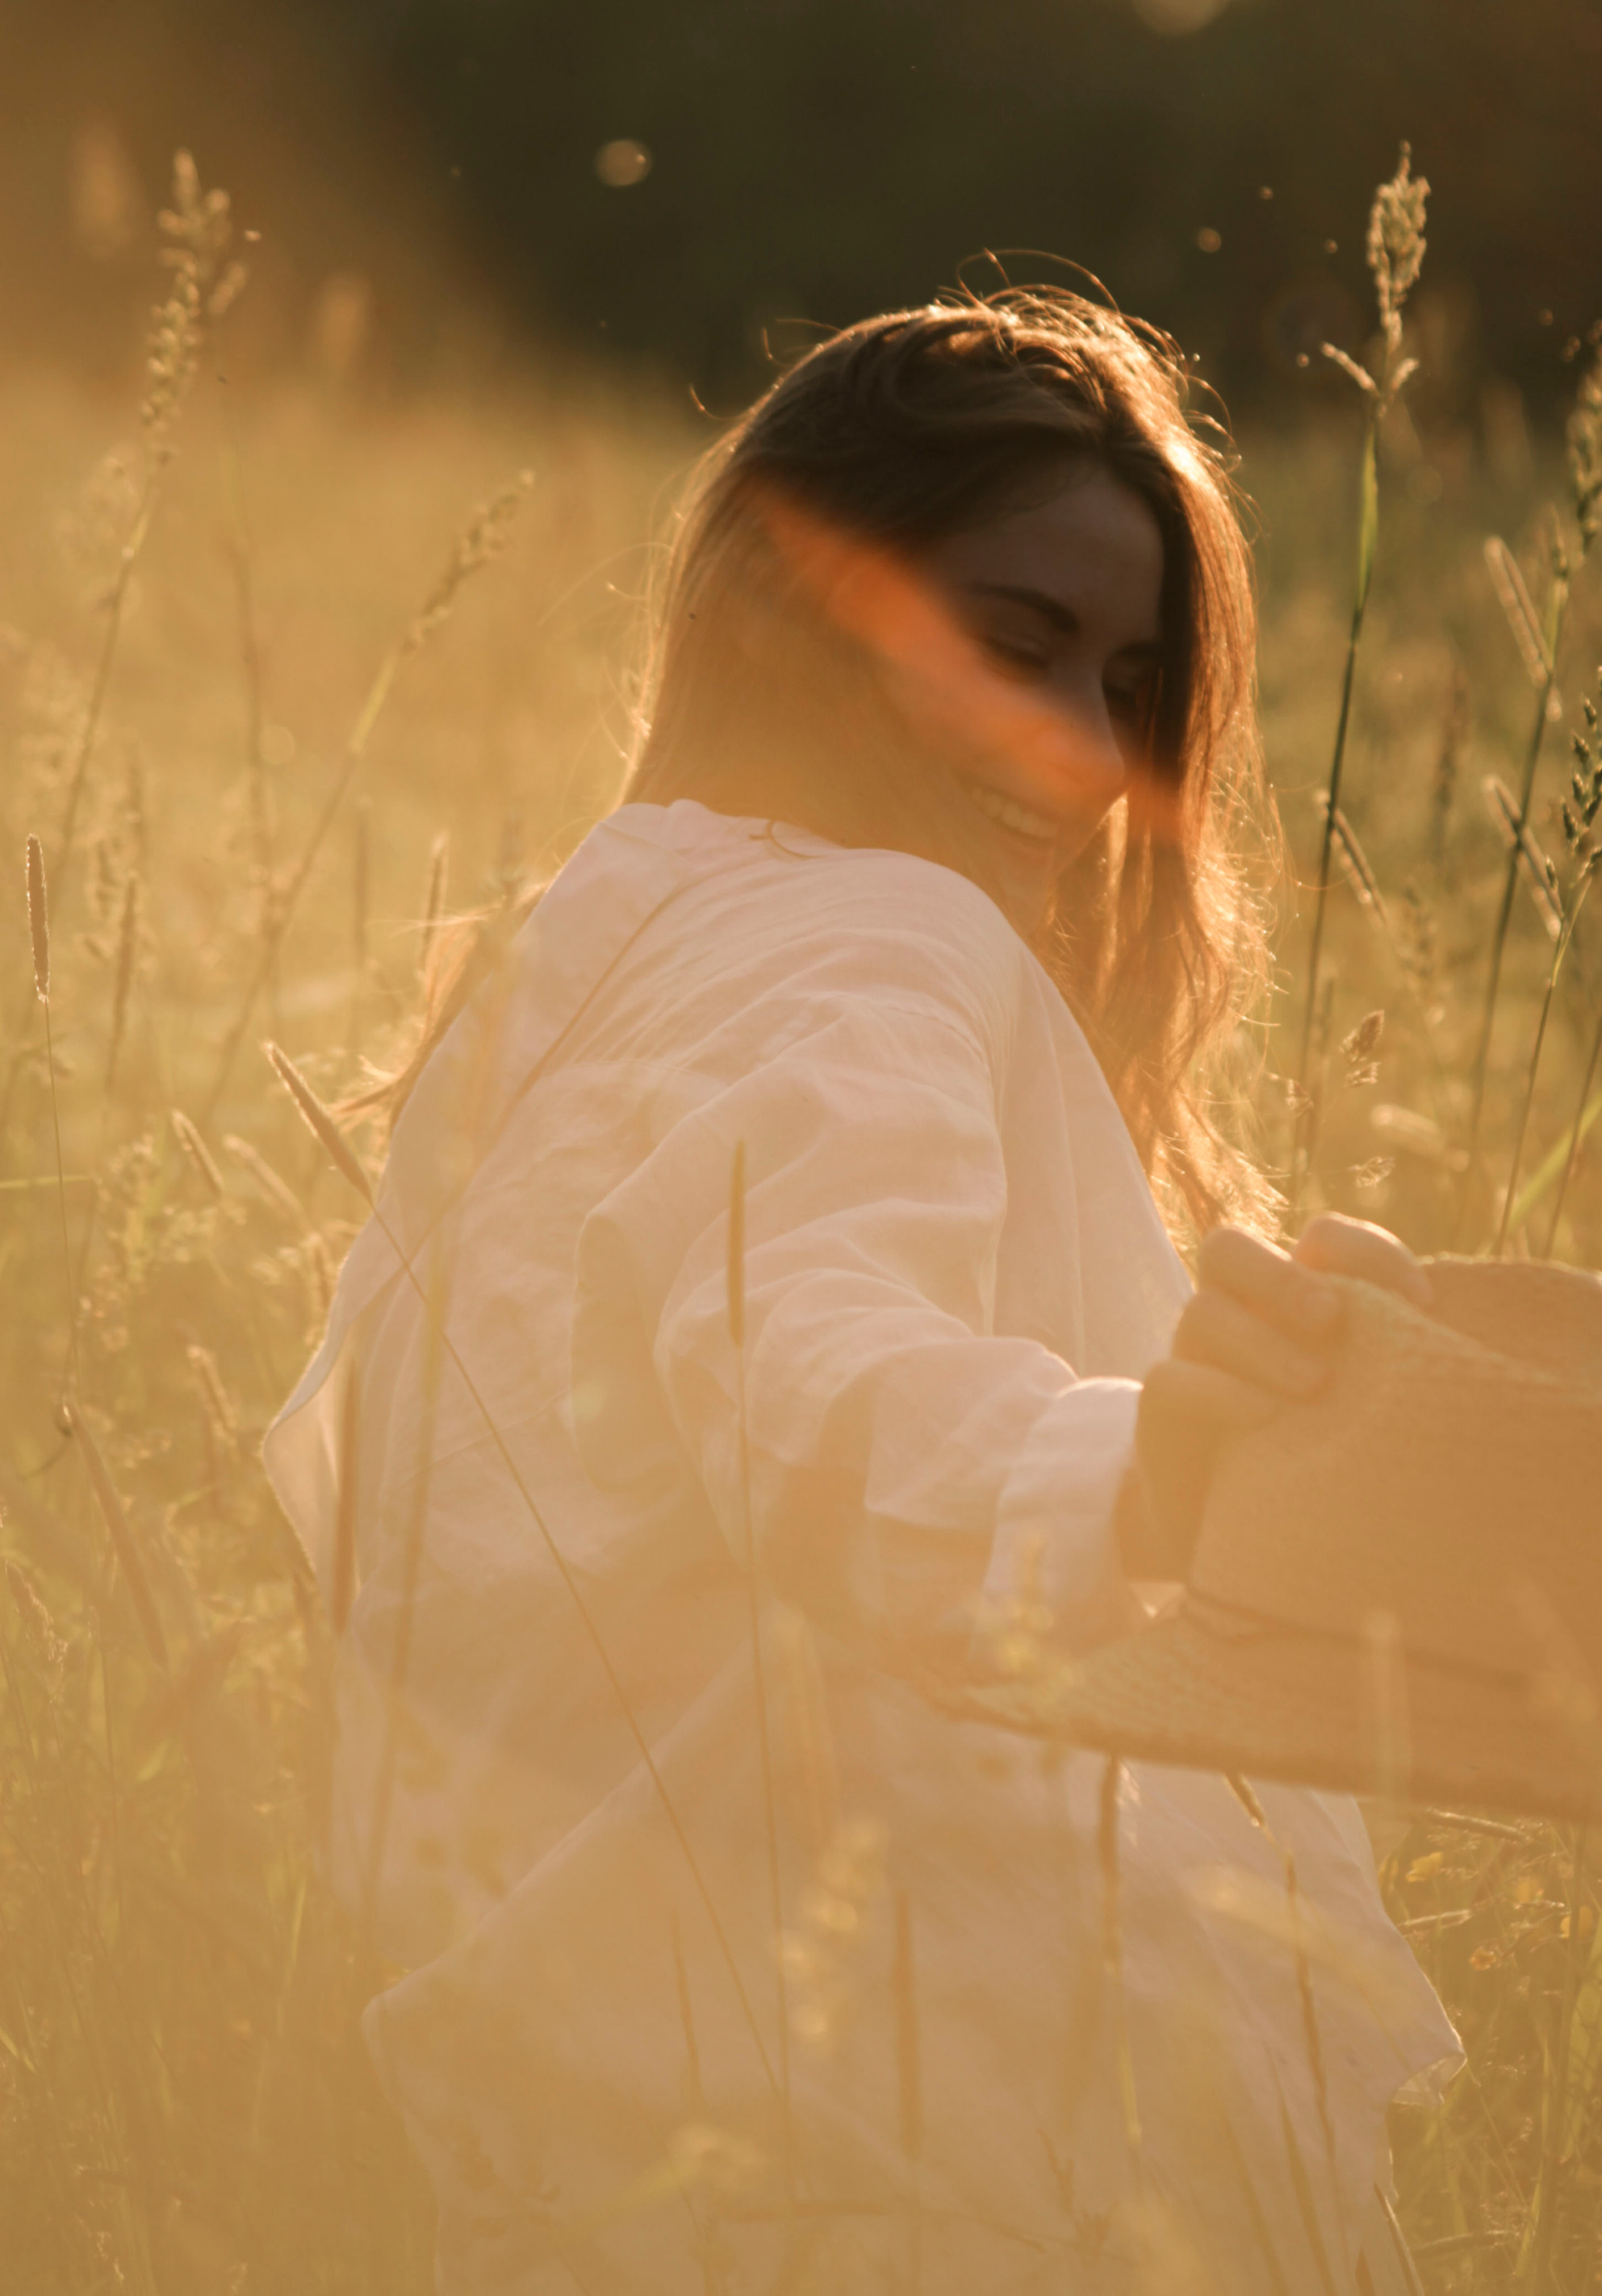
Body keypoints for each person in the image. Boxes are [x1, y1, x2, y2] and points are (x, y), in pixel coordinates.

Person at [265, 294, 1459, 2296]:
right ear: (794, 605)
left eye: (1131, 685)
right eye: (1011, 644)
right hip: (902, 2111)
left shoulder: (581, 941)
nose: (1079, 753)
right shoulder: (876, 943)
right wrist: (1151, 1456)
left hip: (580, 2084)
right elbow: (817, 1390)